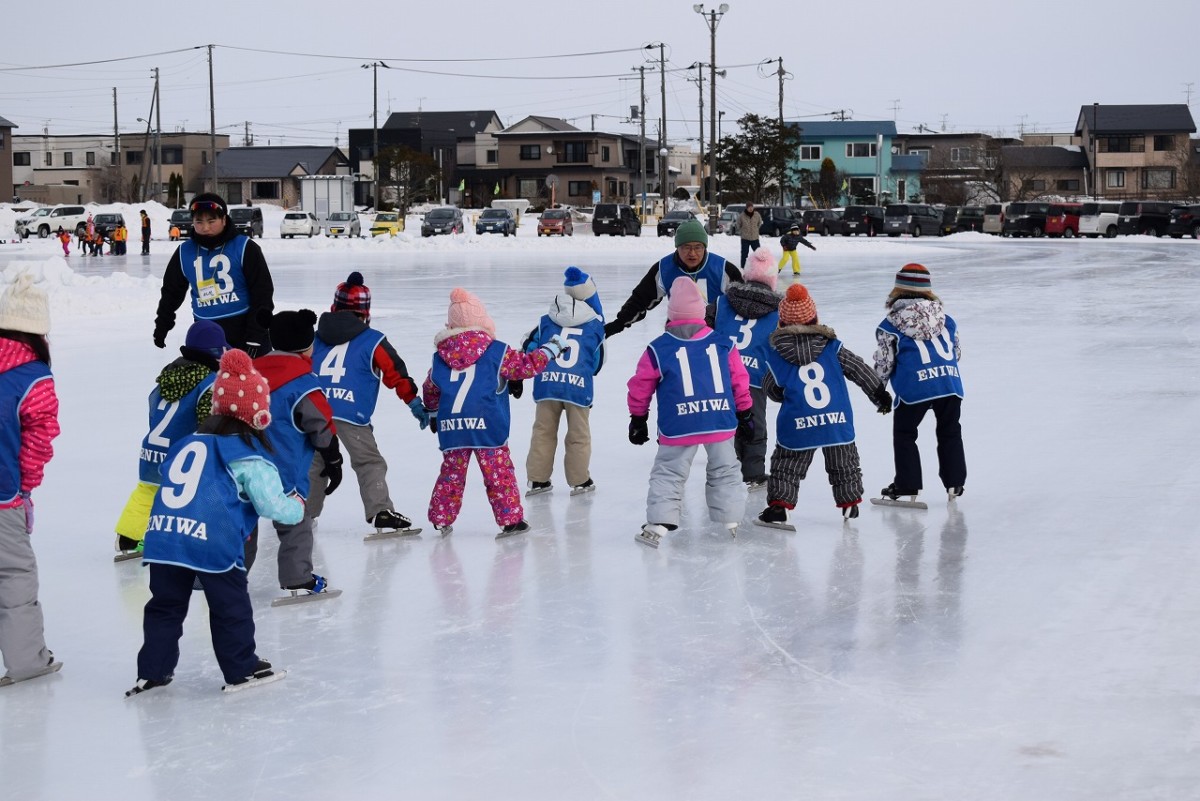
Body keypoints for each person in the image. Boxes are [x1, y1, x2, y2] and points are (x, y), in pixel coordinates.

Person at [127, 348, 304, 696]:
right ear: (257, 414)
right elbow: (271, 504)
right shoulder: (245, 454)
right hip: (213, 540)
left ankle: (152, 671)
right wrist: (296, 507)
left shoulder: (185, 444)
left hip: (165, 537)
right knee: (230, 608)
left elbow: (169, 477)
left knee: (164, 607)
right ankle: (241, 669)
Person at [422, 288, 569, 537]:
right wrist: (550, 350)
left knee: (451, 473)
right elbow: (525, 366)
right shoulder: (496, 351)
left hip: (453, 428)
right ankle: (510, 520)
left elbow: (431, 388)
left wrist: (434, 412)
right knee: (498, 473)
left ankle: (440, 517)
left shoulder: (440, 357)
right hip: (487, 424)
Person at [626, 276, 753, 548]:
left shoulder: (658, 348)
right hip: (719, 419)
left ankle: (659, 523)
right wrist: (745, 412)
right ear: (700, 313)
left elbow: (640, 386)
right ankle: (731, 518)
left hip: (679, 423)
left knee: (669, 472)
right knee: (725, 469)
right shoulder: (723, 343)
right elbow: (739, 380)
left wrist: (638, 418)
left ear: (671, 315)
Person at [756, 283, 892, 528]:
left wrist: (783, 392)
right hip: (835, 421)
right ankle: (850, 503)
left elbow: (772, 389)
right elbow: (858, 368)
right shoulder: (833, 347)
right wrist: (879, 394)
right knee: (844, 463)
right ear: (815, 318)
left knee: (787, 466)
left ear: (782, 323)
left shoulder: (776, 356)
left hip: (798, 423)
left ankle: (780, 507)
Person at [309, 272, 426, 533]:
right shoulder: (373, 340)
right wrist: (413, 402)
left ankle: (303, 516)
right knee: (368, 463)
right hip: (352, 416)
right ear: (365, 313)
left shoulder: (314, 338)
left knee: (316, 465)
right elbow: (395, 372)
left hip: (316, 414)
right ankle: (380, 511)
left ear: (333, 308)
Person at [113, 320, 228, 560]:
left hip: (154, 448)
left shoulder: (169, 374)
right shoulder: (208, 383)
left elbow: (153, 408)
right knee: (198, 496)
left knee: (146, 492)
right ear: (216, 354)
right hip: (183, 452)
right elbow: (209, 421)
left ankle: (129, 539)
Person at [0, 274, 62, 687]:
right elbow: (37, 444)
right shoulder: (34, 377)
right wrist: (25, 492)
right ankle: (26, 660)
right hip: (3, 495)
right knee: (14, 573)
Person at [253, 310, 341, 597]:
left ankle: (223, 574)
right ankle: (297, 577)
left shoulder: (250, 377)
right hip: (285, 471)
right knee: (295, 522)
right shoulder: (303, 384)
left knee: (242, 522)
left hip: (245, 465)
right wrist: (333, 459)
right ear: (306, 345)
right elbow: (321, 424)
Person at [873, 263, 966, 502]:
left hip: (914, 387)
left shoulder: (890, 325)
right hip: (948, 384)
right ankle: (955, 483)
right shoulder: (947, 320)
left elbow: (885, 363)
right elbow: (956, 353)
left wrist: (877, 390)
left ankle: (907, 485)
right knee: (950, 431)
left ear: (897, 291)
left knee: (904, 433)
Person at [153, 192, 275, 356]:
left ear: (224, 220)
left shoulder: (245, 247)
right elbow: (171, 292)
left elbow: (262, 293)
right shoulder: (184, 252)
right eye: (199, 221)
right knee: (214, 382)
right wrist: (162, 325)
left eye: (211, 221)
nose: (205, 227)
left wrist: (256, 334)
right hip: (207, 333)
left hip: (245, 330)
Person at [520, 267, 605, 497]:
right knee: (578, 435)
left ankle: (538, 480)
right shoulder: (595, 325)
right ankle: (580, 480)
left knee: (543, 431)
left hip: (547, 384)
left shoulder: (546, 320)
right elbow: (596, 362)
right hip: (578, 388)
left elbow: (530, 346)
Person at [603, 218, 742, 339]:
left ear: (705, 247)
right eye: (686, 247)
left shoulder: (723, 269)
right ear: (677, 247)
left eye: (698, 247)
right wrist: (619, 323)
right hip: (678, 337)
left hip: (716, 336)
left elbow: (743, 303)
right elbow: (640, 299)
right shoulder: (664, 269)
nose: (692, 253)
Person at [713, 247, 781, 490]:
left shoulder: (723, 301)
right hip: (754, 377)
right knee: (754, 423)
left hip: (720, 373)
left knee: (726, 423)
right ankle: (753, 473)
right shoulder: (778, 311)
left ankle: (725, 469)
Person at [736, 201, 764, 269]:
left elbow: (760, 223)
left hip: (755, 238)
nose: (751, 209)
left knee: (758, 253)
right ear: (747, 208)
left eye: (752, 207)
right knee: (744, 254)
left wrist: (756, 229)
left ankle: (760, 267)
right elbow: (738, 225)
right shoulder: (742, 215)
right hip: (745, 238)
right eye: (749, 207)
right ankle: (743, 268)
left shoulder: (757, 214)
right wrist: (742, 232)